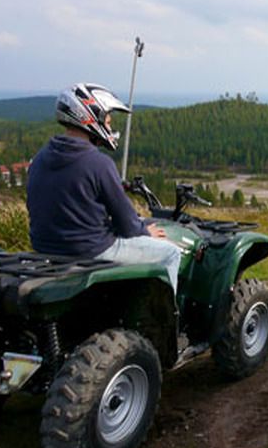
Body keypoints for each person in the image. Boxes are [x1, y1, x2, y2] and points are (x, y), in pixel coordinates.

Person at [26, 82, 182, 292]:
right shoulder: (98, 163)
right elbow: (127, 224)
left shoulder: (40, 158)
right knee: (171, 253)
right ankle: (169, 319)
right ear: (91, 117)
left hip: (46, 248)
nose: (110, 127)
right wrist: (144, 231)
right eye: (108, 121)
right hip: (90, 250)